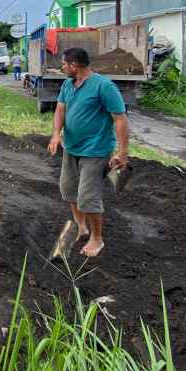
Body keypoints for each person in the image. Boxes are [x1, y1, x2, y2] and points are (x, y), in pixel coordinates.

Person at [47, 47, 129, 257]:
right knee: (68, 190)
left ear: (74, 65)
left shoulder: (104, 86)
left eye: (64, 64)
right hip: (71, 147)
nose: (62, 68)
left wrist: (122, 153)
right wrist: (56, 134)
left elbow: (120, 119)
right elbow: (60, 109)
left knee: (87, 198)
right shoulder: (68, 84)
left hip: (95, 151)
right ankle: (81, 227)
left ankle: (97, 239)